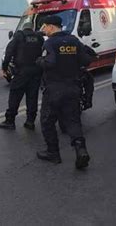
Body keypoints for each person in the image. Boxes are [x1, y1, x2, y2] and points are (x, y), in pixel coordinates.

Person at [36, 15, 92, 169]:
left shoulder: (50, 43)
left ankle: (53, 153)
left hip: (54, 90)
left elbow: (49, 62)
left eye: (45, 26)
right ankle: (81, 150)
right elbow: (86, 60)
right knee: (73, 121)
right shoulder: (74, 41)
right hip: (73, 88)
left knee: (47, 121)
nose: (44, 30)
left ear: (52, 27)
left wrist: (39, 61)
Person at [0, 22, 44, 130]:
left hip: (22, 72)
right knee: (32, 97)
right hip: (36, 72)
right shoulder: (39, 37)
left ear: (24, 28)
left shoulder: (19, 36)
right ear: (32, 29)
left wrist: (4, 68)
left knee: (15, 96)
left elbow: (9, 53)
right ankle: (30, 121)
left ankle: (10, 121)